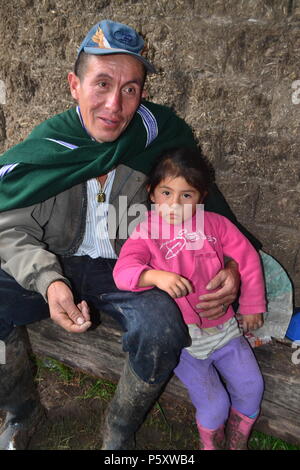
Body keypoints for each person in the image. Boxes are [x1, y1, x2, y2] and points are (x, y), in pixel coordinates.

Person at [0, 20, 259, 450]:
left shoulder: (158, 139)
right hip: (57, 261)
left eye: (130, 89)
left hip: (134, 271)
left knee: (161, 328)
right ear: (74, 85)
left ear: (142, 94)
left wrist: (233, 267)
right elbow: (11, 229)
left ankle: (119, 430)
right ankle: (22, 414)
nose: (114, 105)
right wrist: (49, 280)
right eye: (101, 83)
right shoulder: (50, 149)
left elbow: (207, 215)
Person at [113, 147, 266, 450]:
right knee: (214, 406)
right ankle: (210, 444)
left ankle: (237, 442)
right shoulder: (145, 233)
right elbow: (123, 272)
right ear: (152, 193)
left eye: (187, 196)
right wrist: (156, 276)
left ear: (201, 197)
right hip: (183, 341)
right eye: (166, 193)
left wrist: (251, 305)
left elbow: (247, 258)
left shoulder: (216, 226)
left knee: (252, 387)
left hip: (225, 331)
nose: (175, 205)